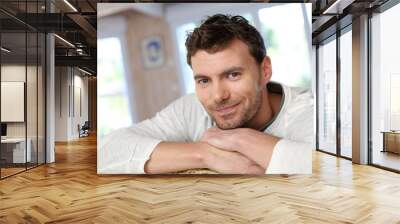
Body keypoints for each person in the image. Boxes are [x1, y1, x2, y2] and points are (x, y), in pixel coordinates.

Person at [99, 14, 314, 175]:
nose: (218, 95)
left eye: (232, 75)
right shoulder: (190, 108)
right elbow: (108, 149)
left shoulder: (308, 111)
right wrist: (205, 154)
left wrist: (239, 139)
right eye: (204, 80)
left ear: (264, 71)